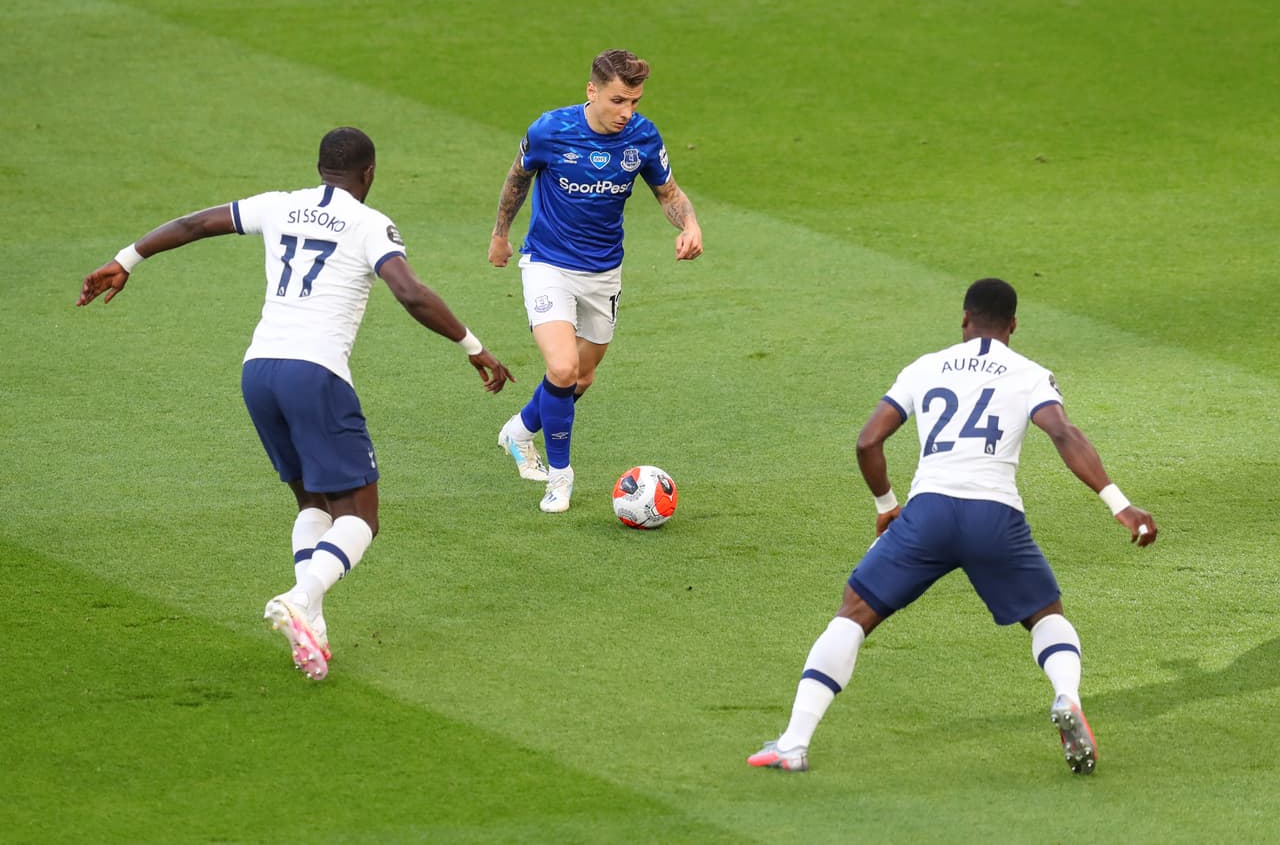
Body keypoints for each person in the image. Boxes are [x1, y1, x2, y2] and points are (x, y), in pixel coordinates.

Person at [77, 127, 515, 681]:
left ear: (319, 168)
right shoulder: (368, 224)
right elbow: (410, 292)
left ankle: (312, 623)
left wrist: (126, 260)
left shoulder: (278, 206)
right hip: (316, 375)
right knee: (360, 517)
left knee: (313, 503)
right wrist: (473, 347)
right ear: (370, 174)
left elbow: (193, 225)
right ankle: (298, 597)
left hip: (258, 372)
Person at [747, 278, 1158, 775]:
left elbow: (867, 442)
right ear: (1013, 326)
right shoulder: (1030, 374)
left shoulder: (925, 367)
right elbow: (1063, 433)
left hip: (928, 514)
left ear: (964, 318)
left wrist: (886, 504)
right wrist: (1120, 504)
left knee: (853, 613)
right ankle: (1066, 697)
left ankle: (794, 742)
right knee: (1046, 615)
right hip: (995, 516)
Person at [487, 48, 703, 513]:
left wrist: (689, 225)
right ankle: (560, 478)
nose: (627, 112)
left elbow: (668, 193)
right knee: (562, 368)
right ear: (592, 91)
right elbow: (517, 179)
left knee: (581, 378)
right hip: (547, 264)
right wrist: (500, 235)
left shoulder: (642, 138)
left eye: (635, 102)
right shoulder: (551, 130)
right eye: (618, 100)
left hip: (604, 272)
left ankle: (519, 431)